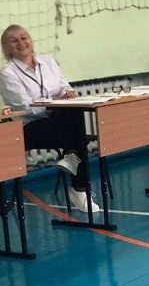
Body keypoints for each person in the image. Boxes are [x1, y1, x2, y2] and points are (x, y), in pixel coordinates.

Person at [0, 25, 100, 213]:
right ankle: (78, 185)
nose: (21, 43)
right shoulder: (7, 73)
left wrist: (67, 94)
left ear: (30, 40)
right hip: (29, 128)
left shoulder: (48, 62)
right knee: (75, 130)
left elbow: (65, 87)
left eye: (24, 37)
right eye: (14, 40)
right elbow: (25, 107)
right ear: (7, 47)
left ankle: (73, 160)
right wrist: (57, 101)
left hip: (59, 121)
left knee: (74, 112)